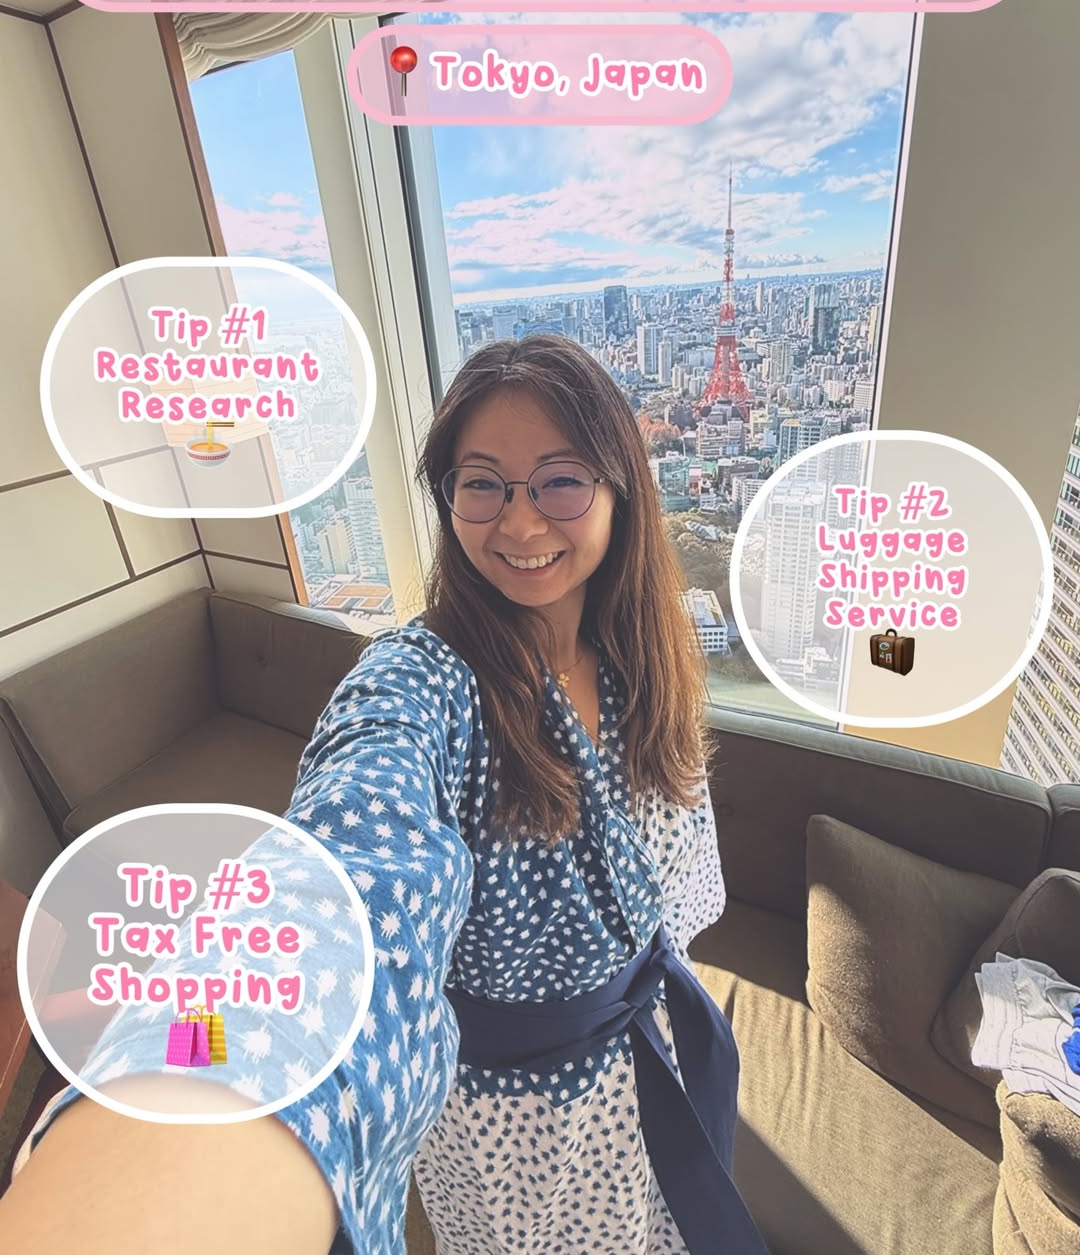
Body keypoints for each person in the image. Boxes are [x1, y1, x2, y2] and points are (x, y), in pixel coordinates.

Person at [0, 336, 766, 1255]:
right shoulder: (420, 682)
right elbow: (343, 879)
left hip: (648, 1064)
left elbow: (672, 895)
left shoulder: (646, 653)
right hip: (515, 1136)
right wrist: (207, 1084)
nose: (520, 522)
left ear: (620, 490)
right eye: (482, 484)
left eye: (560, 480)